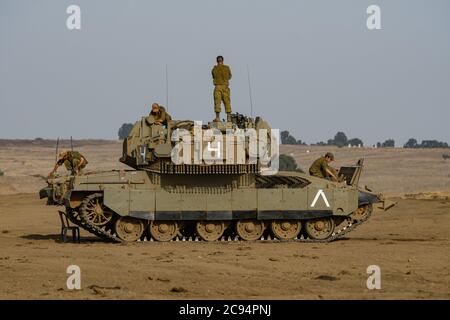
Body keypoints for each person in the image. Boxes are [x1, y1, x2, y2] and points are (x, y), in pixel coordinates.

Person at [211, 55, 232, 122]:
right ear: (223, 61)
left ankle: (217, 118)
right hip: (225, 87)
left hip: (217, 87)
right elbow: (230, 76)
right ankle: (228, 118)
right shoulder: (227, 68)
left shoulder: (214, 69)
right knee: (227, 102)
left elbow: (213, 76)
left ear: (217, 61)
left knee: (217, 102)